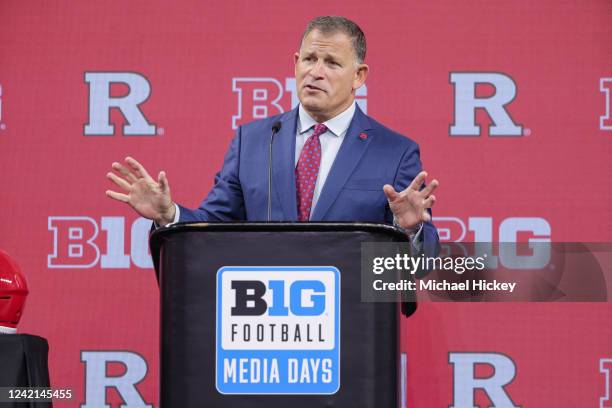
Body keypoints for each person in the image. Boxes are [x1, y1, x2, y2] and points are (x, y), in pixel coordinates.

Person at [106, 16, 439, 250]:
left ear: (359, 76)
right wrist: (170, 215)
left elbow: (425, 262)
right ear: (295, 63)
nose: (316, 72)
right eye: (309, 59)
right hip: (264, 326)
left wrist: (410, 230)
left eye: (332, 63)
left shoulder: (394, 152)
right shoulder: (252, 141)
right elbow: (213, 226)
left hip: (353, 327)